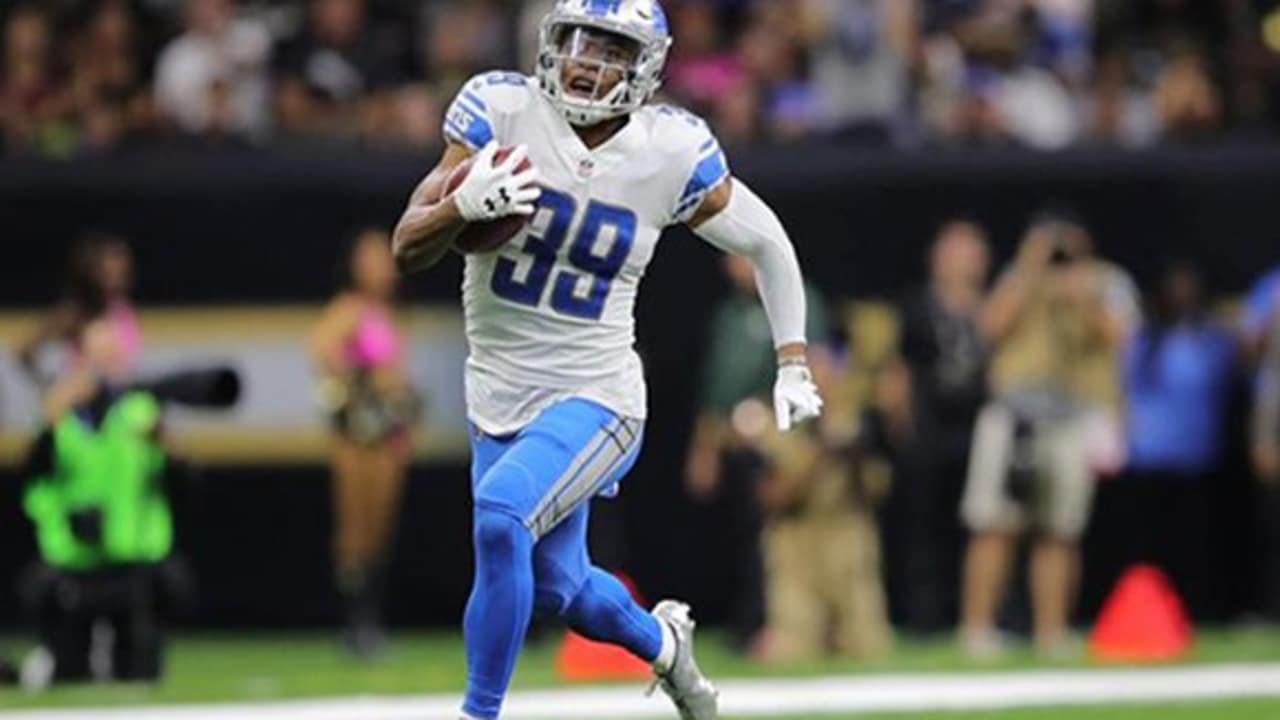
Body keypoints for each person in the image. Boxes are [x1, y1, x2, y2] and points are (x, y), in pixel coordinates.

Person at [390, 2, 823, 718]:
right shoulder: (500, 109)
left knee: (500, 519)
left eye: (610, 48)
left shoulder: (669, 150)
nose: (587, 61)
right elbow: (407, 247)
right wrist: (460, 206)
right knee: (563, 587)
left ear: (647, 66)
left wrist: (793, 361)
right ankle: (663, 645)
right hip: (496, 392)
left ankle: (479, 712)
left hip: (598, 395)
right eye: (577, 41)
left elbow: (767, 242)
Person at [959, 214, 1138, 657]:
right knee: (993, 524)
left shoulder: (1106, 281)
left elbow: (1122, 336)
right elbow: (988, 328)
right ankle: (977, 630)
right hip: (1014, 413)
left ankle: (1050, 631)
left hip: (1072, 416)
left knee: (1059, 528)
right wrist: (1029, 270)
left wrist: (1083, 297)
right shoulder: (1018, 279)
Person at [683, 254, 829, 655]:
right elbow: (717, 389)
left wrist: (800, 433)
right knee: (744, 537)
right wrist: (704, 450)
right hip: (739, 445)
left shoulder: (796, 299)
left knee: (779, 537)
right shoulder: (730, 314)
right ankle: (747, 623)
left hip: (786, 440)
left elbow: (817, 368)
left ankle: (779, 623)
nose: (735, 268)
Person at [309, 229, 418, 657]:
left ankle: (371, 617)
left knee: (379, 528)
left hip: (387, 434)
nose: (381, 268)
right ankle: (355, 622)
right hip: (359, 435)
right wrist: (359, 387)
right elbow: (319, 348)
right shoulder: (349, 309)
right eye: (371, 259)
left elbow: (397, 373)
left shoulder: (387, 313)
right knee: (354, 527)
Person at [885, 220, 990, 634]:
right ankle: (923, 615)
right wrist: (901, 420)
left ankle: (976, 612)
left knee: (980, 526)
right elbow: (898, 368)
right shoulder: (918, 305)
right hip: (929, 431)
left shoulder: (992, 304)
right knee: (924, 530)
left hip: (979, 429)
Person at [755, 353, 892, 661]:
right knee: (793, 649)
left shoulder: (855, 422)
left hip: (848, 536)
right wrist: (820, 452)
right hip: (796, 543)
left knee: (868, 646)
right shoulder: (778, 425)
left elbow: (877, 490)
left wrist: (854, 454)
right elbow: (773, 497)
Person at [1119, 261, 1234, 619]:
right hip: (1147, 456)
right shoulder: (1143, 339)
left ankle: (1196, 611)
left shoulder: (1212, 338)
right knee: (1148, 544)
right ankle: (1144, 612)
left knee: (1195, 543)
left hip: (1196, 456)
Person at [16, 232, 140, 391]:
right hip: (85, 402)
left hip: (118, 398)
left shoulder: (121, 308)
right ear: (90, 269)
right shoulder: (75, 312)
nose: (118, 269)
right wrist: (49, 384)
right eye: (109, 265)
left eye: (121, 262)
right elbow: (24, 349)